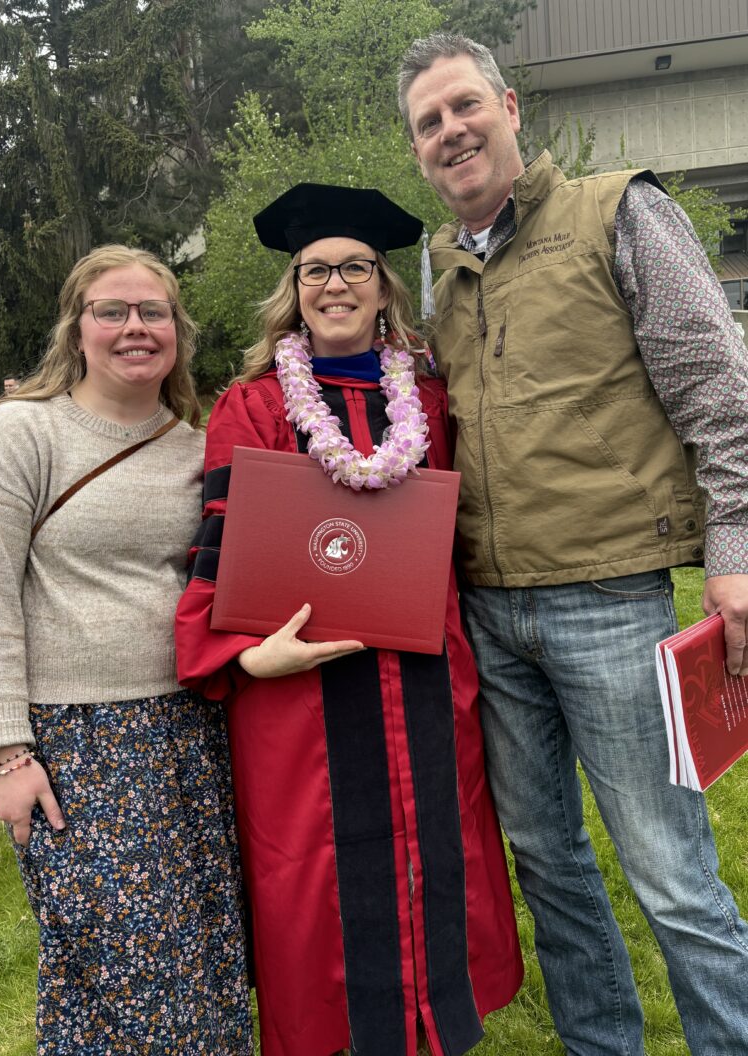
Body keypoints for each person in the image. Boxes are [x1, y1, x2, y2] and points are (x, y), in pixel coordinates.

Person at [397, 31, 748, 1056]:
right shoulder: (439, 262)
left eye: (464, 106)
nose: (451, 131)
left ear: (509, 106)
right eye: (429, 123)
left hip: (613, 600)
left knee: (672, 876)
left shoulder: (620, 210)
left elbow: (723, 398)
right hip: (489, 612)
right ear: (418, 150)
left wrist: (734, 551)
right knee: (547, 862)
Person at [175, 184, 523, 1056]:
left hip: (425, 678)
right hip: (302, 698)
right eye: (316, 269)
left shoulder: (430, 403)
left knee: (441, 847)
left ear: (384, 286)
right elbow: (220, 560)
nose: (336, 283)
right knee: (315, 878)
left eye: (356, 267)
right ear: (293, 288)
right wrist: (246, 658)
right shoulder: (252, 408)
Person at [0, 245, 252, 1055]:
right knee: (119, 967)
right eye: (111, 311)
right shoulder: (22, 433)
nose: (134, 328)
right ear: (76, 329)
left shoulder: (198, 445)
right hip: (79, 746)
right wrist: (5, 755)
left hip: (194, 733)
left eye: (152, 312)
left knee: (206, 958)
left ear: (178, 332)